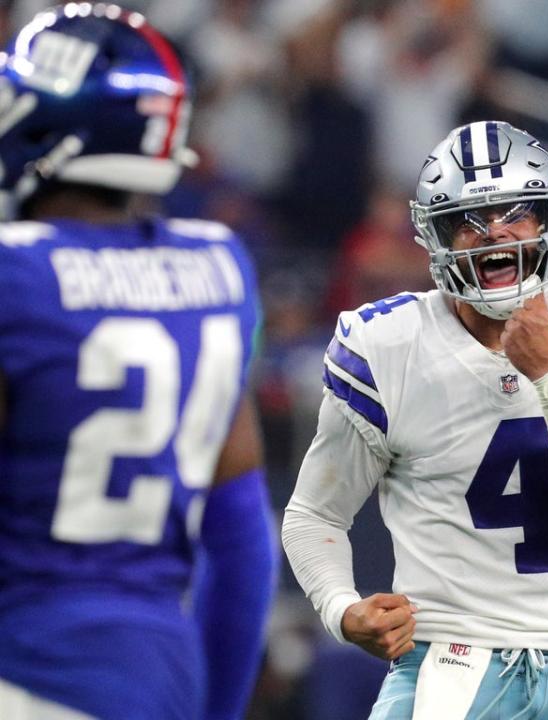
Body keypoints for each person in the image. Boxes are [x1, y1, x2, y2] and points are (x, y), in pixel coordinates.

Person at [283, 119, 548, 719]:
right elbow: (314, 514)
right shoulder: (386, 345)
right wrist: (340, 608)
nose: (495, 235)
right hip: (446, 662)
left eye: (515, 212)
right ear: (435, 237)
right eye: (467, 221)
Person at [0, 4, 276, 719]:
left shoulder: (17, 278)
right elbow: (242, 545)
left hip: (27, 663)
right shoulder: (217, 268)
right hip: (156, 673)